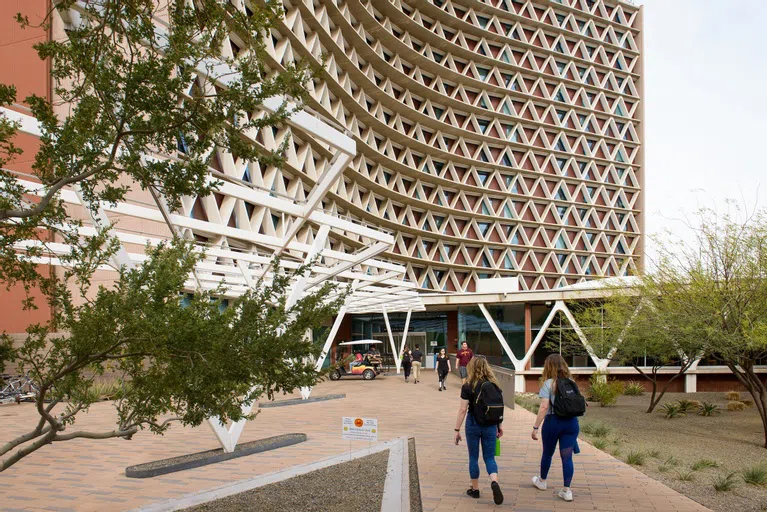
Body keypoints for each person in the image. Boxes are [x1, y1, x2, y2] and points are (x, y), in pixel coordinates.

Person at [454, 357, 504, 505]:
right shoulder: (494, 385)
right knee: (490, 458)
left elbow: (463, 409)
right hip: (490, 425)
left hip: (473, 424)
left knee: (473, 457)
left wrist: (456, 429)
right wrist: (499, 425)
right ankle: (494, 481)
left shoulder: (468, 386)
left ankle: (475, 489)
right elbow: (498, 407)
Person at [531, 354, 581, 503]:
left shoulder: (549, 384)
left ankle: (542, 481)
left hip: (553, 422)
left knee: (547, 453)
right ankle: (567, 490)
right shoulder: (572, 382)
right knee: (567, 458)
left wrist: (535, 427)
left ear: (548, 366)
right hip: (571, 423)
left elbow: (544, 407)